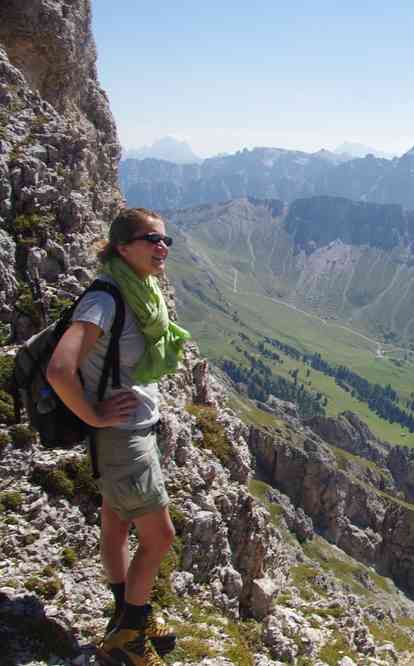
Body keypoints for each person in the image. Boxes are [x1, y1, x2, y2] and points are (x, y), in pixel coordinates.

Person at [46, 207, 191, 666]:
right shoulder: (105, 299)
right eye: (151, 239)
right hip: (123, 437)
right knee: (161, 537)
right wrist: (95, 414)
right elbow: (59, 369)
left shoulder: (139, 290)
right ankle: (129, 636)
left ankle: (125, 613)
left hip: (128, 432)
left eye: (166, 240)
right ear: (122, 246)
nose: (161, 248)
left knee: (116, 523)